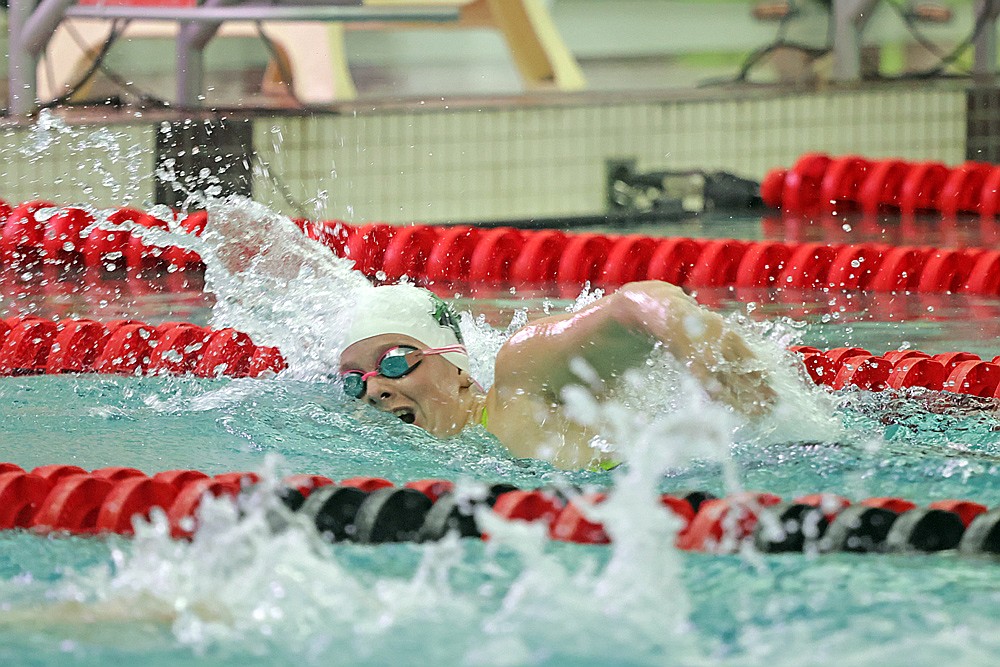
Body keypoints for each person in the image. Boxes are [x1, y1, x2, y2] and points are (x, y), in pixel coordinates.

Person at [339, 280, 776, 469]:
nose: (373, 388)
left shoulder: (523, 380)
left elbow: (635, 303)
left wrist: (690, 338)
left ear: (457, 370)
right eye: (354, 379)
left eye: (396, 360)